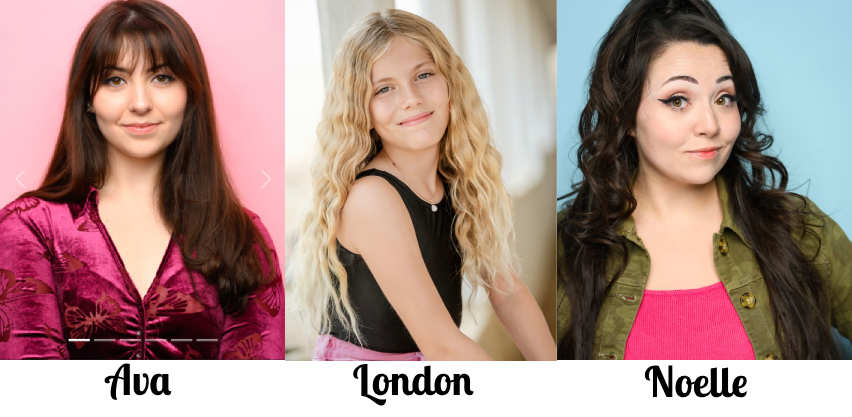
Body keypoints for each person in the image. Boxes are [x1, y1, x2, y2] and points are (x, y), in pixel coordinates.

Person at [557, 0, 852, 360]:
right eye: (678, 100)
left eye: (724, 98)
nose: (711, 125)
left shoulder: (800, 230)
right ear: (625, 116)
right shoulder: (567, 250)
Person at [0, 0, 284, 359]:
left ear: (190, 93)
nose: (139, 102)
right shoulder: (28, 228)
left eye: (162, 77)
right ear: (89, 97)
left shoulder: (242, 236)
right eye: (115, 79)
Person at [292, 9, 555, 361]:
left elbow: (507, 293)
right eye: (385, 88)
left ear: (450, 83)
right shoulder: (372, 199)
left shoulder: (458, 181)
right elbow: (442, 344)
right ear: (362, 110)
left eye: (424, 75)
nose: (411, 97)